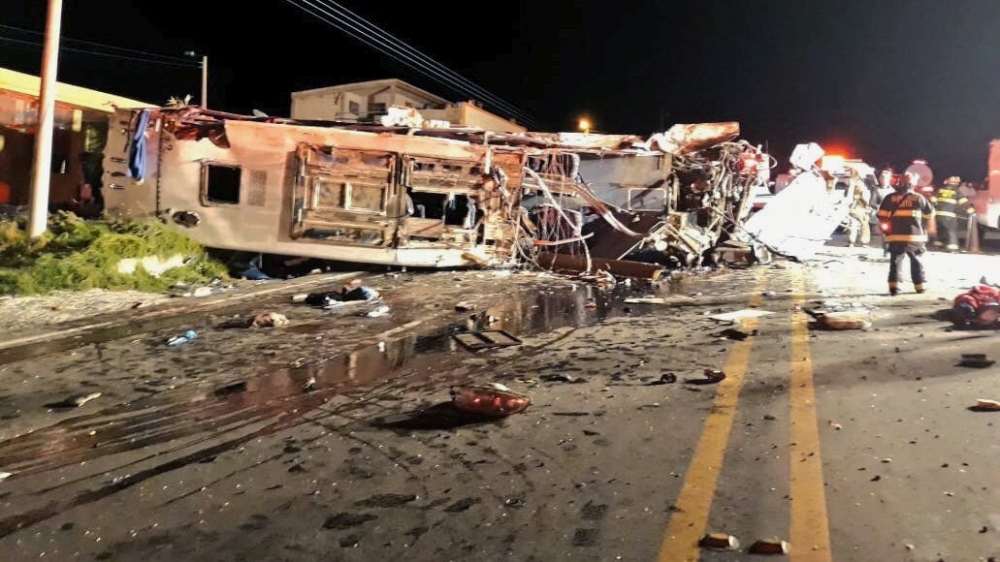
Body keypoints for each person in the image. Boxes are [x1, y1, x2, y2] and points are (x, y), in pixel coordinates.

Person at [876, 172, 936, 296]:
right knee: (916, 261)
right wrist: (922, 224)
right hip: (914, 237)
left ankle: (894, 288)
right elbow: (929, 214)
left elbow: (882, 217)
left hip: (894, 236)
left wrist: (886, 232)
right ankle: (919, 287)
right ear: (913, 184)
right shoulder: (918, 198)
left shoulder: (889, 198)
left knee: (895, 262)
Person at [929, 176, 974, 251]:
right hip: (949, 215)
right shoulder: (956, 191)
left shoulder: (940, 190)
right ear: (955, 183)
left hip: (938, 215)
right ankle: (953, 247)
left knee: (941, 230)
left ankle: (938, 245)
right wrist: (971, 211)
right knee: (951, 230)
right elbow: (963, 202)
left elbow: (932, 201)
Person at [846, 172, 873, 247]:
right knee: (864, 225)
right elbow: (859, 196)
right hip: (859, 207)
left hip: (852, 208)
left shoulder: (851, 183)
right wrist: (867, 204)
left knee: (853, 225)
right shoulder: (859, 185)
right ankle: (864, 242)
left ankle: (851, 242)